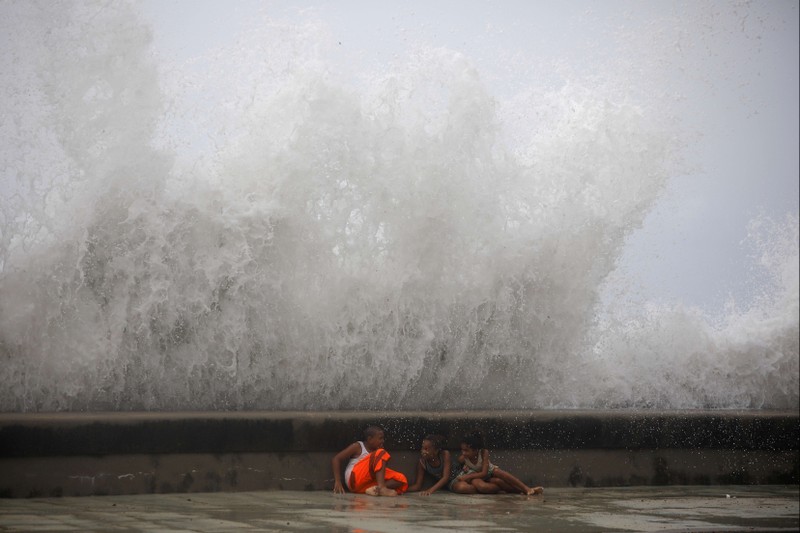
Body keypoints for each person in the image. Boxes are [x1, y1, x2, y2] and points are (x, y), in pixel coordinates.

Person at [449, 429, 543, 496]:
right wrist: (465, 469)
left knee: (498, 473)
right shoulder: (463, 458)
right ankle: (515, 491)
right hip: (476, 476)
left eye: (466, 450)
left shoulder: (483, 452)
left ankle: (526, 488)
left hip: (487, 473)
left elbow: (484, 473)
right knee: (489, 484)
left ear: (476, 450)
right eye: (462, 450)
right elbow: (458, 468)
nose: (463, 453)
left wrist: (467, 476)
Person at [331, 425, 408, 496]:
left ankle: (374, 489)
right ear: (370, 439)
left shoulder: (377, 451)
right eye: (380, 438)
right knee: (381, 452)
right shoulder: (358, 446)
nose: (382, 441)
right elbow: (336, 459)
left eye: (383, 438)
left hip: (365, 485)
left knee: (401, 479)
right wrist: (338, 481)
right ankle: (382, 487)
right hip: (354, 480)